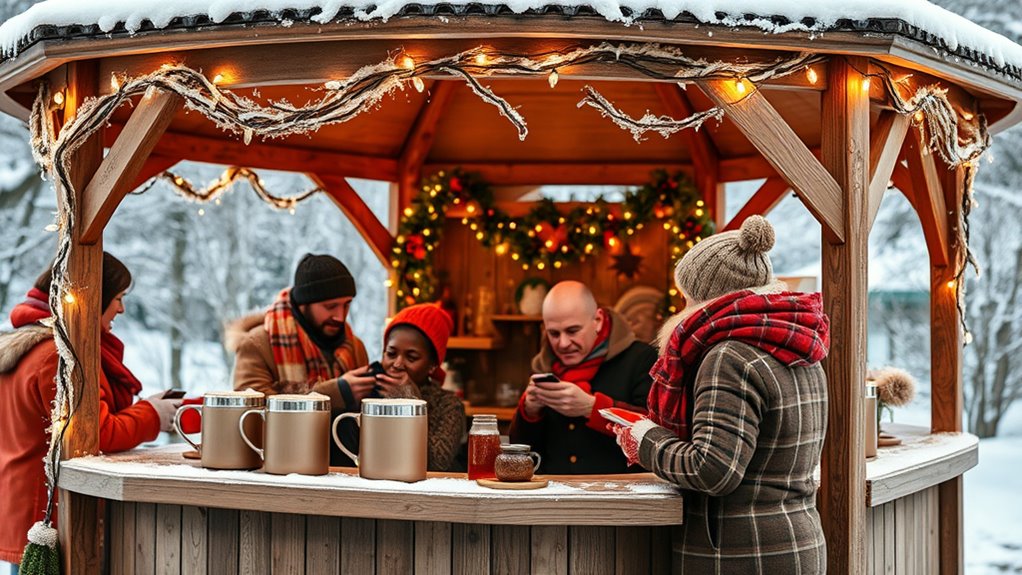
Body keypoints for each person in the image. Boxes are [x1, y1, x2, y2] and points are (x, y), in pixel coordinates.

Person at [612, 216, 830, 573]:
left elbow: (713, 469)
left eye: (685, 298)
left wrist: (646, 439)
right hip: (797, 539)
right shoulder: (798, 342)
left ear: (704, 300)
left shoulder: (729, 356)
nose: (681, 310)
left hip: (741, 553)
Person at [0, 254, 182, 567]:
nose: (122, 309)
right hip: (48, 513)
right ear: (94, 296)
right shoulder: (58, 357)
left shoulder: (36, 346)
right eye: (118, 298)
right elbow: (95, 433)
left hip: (28, 506)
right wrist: (152, 415)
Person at [509, 281, 657, 474]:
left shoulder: (641, 358)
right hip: (555, 495)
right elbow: (523, 450)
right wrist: (530, 411)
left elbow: (655, 433)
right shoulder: (544, 366)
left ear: (598, 320)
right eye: (553, 333)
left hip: (621, 495)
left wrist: (591, 407)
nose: (562, 343)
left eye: (572, 331)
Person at [230, 253, 372, 408]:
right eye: (330, 306)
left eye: (346, 305)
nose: (340, 316)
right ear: (304, 304)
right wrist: (336, 393)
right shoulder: (257, 345)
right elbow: (252, 411)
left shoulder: (355, 346)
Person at [371, 303, 465, 471]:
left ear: (432, 366)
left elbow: (437, 463)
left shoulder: (449, 405)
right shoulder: (368, 392)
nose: (398, 364)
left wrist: (412, 403)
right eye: (391, 354)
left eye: (411, 357)